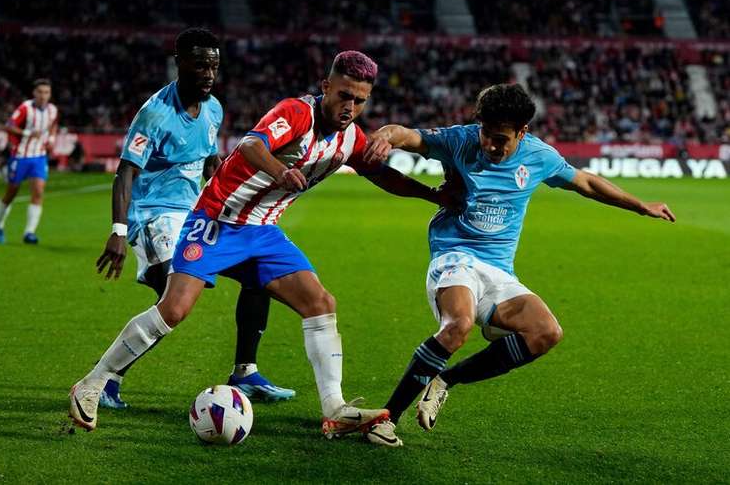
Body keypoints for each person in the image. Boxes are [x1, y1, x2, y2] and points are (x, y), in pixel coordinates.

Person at [70, 50, 456, 437]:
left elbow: (383, 176)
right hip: (217, 221)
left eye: (359, 100)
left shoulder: (349, 138)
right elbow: (250, 146)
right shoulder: (295, 113)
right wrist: (280, 171)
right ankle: (92, 383)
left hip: (263, 232)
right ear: (326, 87)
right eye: (343, 95)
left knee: (320, 303)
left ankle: (335, 409)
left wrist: (432, 195)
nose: (349, 106)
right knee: (174, 309)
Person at [363, 83, 676, 447]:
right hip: (455, 255)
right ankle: (386, 419)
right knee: (458, 326)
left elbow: (587, 182)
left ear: (522, 133)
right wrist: (386, 136)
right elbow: (408, 135)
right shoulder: (459, 141)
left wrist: (641, 206)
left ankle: (444, 380)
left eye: (501, 139)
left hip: (498, 270)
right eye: (487, 135)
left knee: (545, 333)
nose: (491, 146)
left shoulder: (538, 156)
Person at [94, 27, 293, 409]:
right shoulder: (154, 114)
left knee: (259, 272)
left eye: (214, 66)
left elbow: (209, 161)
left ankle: (246, 372)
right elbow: (125, 172)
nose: (208, 74)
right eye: (200, 65)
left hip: (194, 214)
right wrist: (118, 230)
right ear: (179, 64)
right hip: (153, 217)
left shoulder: (213, 108)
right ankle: (106, 379)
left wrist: (229, 196)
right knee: (173, 302)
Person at [0, 79, 59, 244]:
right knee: (11, 192)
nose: (43, 96)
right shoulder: (25, 108)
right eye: (40, 92)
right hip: (20, 156)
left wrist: (51, 138)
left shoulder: (52, 110)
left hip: (39, 156)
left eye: (46, 92)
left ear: (49, 94)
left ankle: (29, 232)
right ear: (34, 93)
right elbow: (9, 125)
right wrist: (27, 132)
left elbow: (53, 125)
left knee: (38, 192)